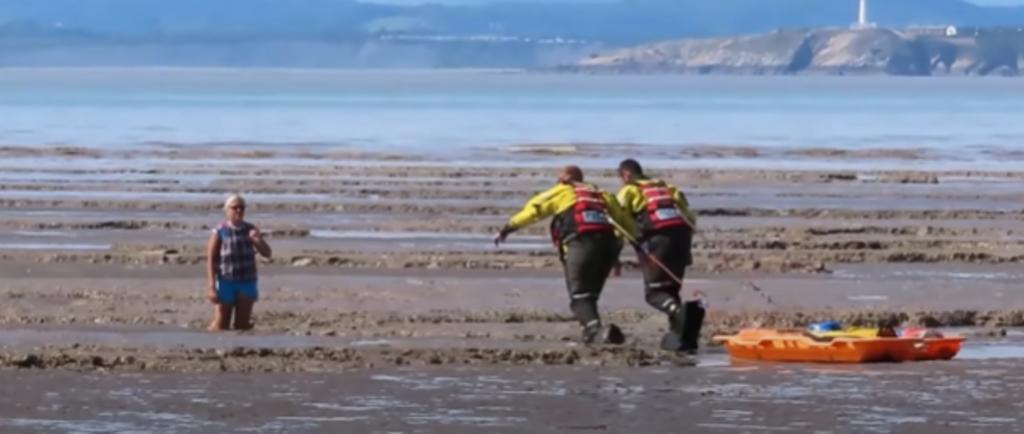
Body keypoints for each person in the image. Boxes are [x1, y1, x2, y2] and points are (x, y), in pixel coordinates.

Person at [494, 166, 637, 344]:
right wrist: (618, 255)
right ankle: (591, 330)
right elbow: (626, 224)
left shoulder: (561, 192)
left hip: (580, 244)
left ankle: (596, 330)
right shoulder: (602, 195)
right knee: (589, 295)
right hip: (607, 248)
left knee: (579, 297)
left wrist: (508, 228)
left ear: (563, 179)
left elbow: (534, 210)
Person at [615, 159, 704, 355]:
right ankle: (680, 336)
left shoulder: (629, 191)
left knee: (655, 294)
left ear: (626, 176)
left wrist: (615, 252)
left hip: (657, 241)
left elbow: (618, 220)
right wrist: (686, 250)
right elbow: (689, 217)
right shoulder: (668, 188)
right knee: (671, 289)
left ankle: (684, 317)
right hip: (681, 239)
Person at [206, 194, 272, 331]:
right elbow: (211, 259)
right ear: (227, 210)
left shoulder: (250, 229)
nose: (238, 211)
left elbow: (267, 253)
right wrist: (212, 287)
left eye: (241, 208)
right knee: (221, 325)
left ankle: (239, 350)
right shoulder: (220, 231)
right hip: (226, 281)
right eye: (234, 208)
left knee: (242, 325)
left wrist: (257, 240)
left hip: (247, 281)